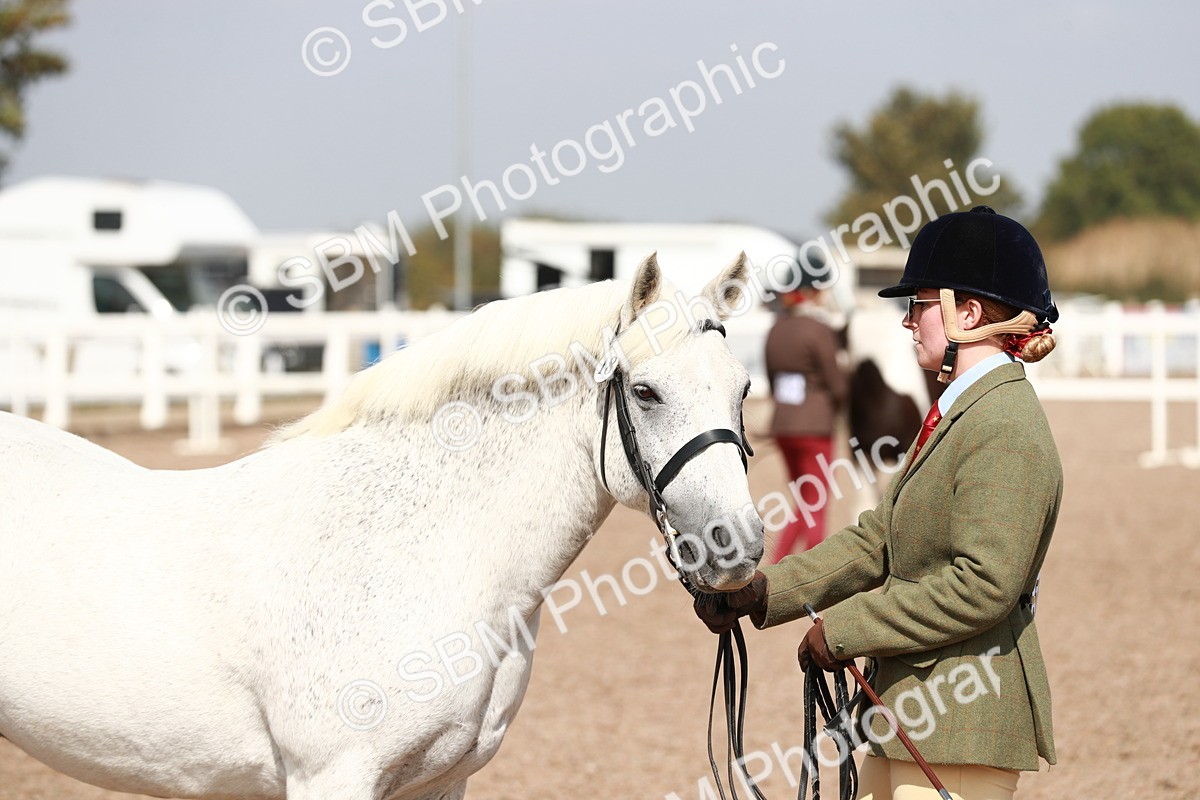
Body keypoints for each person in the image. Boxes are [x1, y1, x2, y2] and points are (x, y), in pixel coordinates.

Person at [697, 206, 1062, 800]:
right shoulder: (956, 412)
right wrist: (764, 593)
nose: (908, 321)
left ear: (967, 313)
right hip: (908, 720)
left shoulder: (1005, 424)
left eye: (919, 305)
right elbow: (879, 538)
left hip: (961, 729)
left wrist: (845, 628)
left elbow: (984, 584)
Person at [764, 285, 847, 562]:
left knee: (802, 500)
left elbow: (772, 377)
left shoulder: (776, 329)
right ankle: (810, 565)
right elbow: (836, 383)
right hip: (814, 425)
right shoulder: (817, 329)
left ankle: (779, 562)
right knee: (816, 502)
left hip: (783, 424)